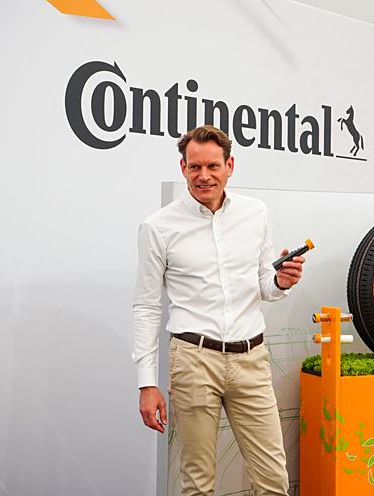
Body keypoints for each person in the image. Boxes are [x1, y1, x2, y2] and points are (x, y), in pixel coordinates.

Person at [132, 125, 305, 496]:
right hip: (193, 361)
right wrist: (147, 384)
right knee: (197, 483)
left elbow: (263, 284)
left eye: (212, 166)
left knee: (273, 480)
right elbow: (146, 307)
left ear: (230, 166)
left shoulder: (255, 213)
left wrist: (280, 282)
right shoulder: (158, 227)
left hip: (251, 359)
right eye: (195, 167)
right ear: (183, 168)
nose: (204, 176)